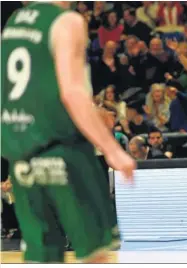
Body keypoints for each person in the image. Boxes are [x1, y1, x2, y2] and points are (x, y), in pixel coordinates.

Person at [1, 2, 136, 263]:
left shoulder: (14, 23)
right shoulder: (67, 21)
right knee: (95, 254)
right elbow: (72, 92)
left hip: (21, 152)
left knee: (42, 256)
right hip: (63, 149)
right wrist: (111, 149)